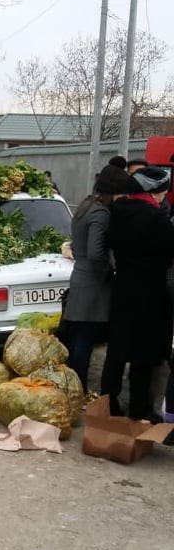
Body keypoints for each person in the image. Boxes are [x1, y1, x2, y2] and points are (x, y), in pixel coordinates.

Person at [100, 166, 174, 420]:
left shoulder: (117, 214)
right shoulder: (155, 220)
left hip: (123, 290)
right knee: (144, 355)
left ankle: (108, 405)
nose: (164, 196)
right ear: (153, 191)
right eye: (163, 191)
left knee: (118, 351)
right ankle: (138, 409)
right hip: (150, 296)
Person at [58, 163, 130, 394]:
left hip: (80, 277)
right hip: (93, 283)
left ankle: (73, 387)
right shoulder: (100, 212)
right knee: (85, 340)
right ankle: (78, 389)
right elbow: (95, 251)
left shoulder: (86, 204)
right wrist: (108, 273)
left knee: (78, 336)